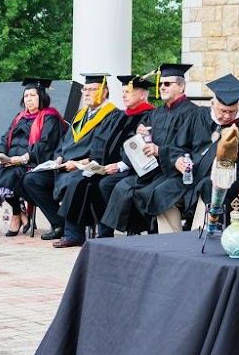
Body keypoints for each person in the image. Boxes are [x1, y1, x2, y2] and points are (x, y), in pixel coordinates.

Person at [100, 63, 201, 235]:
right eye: (161, 84)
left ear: (182, 86)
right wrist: (138, 136)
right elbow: (134, 143)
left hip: (174, 172)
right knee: (122, 186)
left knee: (146, 192)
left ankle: (152, 233)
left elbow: (193, 148)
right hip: (152, 169)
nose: (162, 87)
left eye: (167, 84)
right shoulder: (156, 113)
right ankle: (126, 233)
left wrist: (159, 150)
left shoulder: (194, 113)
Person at [23, 74, 120, 244]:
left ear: (104, 92)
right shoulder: (81, 115)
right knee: (32, 180)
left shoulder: (112, 116)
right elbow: (65, 142)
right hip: (64, 166)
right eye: (86, 89)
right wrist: (58, 157)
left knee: (73, 181)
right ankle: (58, 222)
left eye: (93, 89)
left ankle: (74, 234)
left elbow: (106, 150)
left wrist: (77, 164)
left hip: (86, 168)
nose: (87, 93)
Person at [61, 73, 156, 239]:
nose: (123, 95)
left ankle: (105, 233)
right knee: (78, 179)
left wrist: (120, 164)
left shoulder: (151, 117)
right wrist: (96, 162)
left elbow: (142, 148)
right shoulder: (119, 116)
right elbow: (101, 141)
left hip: (132, 169)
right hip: (108, 167)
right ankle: (73, 234)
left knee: (102, 185)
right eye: (123, 91)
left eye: (128, 92)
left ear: (142, 94)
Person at [189, 74, 239, 231]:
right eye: (223, 111)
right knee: (162, 191)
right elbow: (182, 146)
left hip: (230, 181)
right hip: (194, 176)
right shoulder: (201, 117)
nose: (226, 116)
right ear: (213, 105)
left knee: (208, 185)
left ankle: (203, 234)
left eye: (232, 112)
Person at [0, 78, 64, 236]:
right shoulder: (19, 117)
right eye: (26, 96)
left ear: (41, 97)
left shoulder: (49, 117)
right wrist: (3, 155)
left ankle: (18, 215)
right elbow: (5, 137)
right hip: (13, 162)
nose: (28, 99)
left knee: (11, 179)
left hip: (33, 163)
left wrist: (22, 158)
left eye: (32, 95)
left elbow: (45, 144)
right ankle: (19, 213)